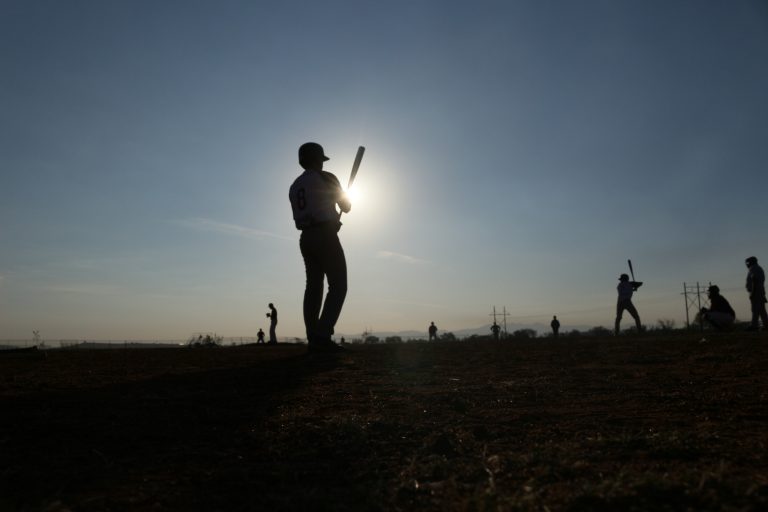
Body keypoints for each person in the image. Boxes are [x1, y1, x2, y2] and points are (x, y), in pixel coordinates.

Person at [289, 142, 351, 352]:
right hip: (325, 236)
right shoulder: (327, 178)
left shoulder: (295, 185)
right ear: (317, 160)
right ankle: (323, 335)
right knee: (338, 285)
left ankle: (313, 337)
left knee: (313, 287)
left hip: (306, 238)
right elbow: (346, 206)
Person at [745, 256, 768, 331]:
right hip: (760, 291)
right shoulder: (758, 268)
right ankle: (766, 325)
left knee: (755, 309)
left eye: (748, 262)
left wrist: (752, 293)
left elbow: (754, 280)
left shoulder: (753, 269)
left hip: (756, 291)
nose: (747, 264)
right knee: (761, 310)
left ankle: (754, 326)